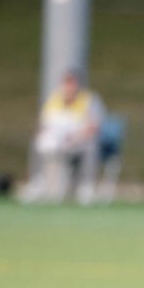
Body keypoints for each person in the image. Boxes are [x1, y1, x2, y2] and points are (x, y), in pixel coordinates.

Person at [26, 69, 105, 205]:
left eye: (72, 83)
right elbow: (44, 124)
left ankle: (86, 187)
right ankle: (36, 184)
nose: (69, 87)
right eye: (66, 83)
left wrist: (76, 137)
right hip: (57, 141)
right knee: (36, 144)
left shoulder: (89, 100)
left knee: (91, 146)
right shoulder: (54, 99)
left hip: (79, 141)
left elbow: (94, 127)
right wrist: (47, 135)